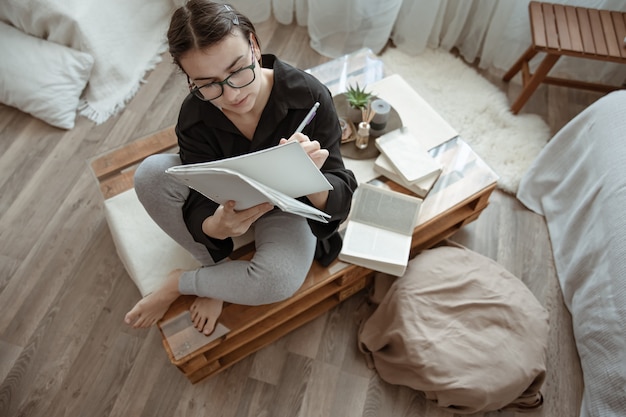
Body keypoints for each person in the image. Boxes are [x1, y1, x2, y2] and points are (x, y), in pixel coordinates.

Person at [124, 0, 357, 335]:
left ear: (255, 45)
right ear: (191, 80)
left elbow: (341, 196)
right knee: (149, 175)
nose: (231, 94)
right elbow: (201, 194)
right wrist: (217, 227)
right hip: (229, 205)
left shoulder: (307, 95)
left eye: (237, 70)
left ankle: (186, 283)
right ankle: (216, 267)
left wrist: (311, 178)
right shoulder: (195, 116)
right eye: (207, 83)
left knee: (278, 281)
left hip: (288, 209)